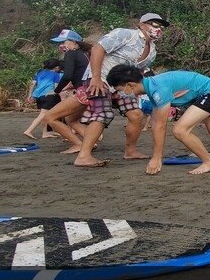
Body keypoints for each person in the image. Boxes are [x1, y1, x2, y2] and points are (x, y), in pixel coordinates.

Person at [66, 13, 169, 168]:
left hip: (122, 84)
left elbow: (138, 72)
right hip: (100, 78)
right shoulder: (125, 34)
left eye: (160, 26)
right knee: (103, 114)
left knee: (136, 114)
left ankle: (130, 151)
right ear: (141, 24)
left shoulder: (152, 51)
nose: (158, 29)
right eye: (154, 24)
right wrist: (95, 78)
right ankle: (84, 156)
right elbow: (97, 49)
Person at [106, 64, 210, 175]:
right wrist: (156, 157)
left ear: (130, 85)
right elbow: (156, 124)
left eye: (119, 90)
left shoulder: (158, 89)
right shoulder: (151, 88)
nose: (120, 94)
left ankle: (209, 162)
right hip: (208, 92)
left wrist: (156, 159)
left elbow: (161, 126)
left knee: (180, 130)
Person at [43, 29, 93, 152]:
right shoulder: (85, 54)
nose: (61, 45)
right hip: (90, 90)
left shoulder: (71, 54)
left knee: (50, 117)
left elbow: (67, 76)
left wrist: (57, 90)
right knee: (72, 120)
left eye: (64, 42)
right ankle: (90, 143)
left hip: (82, 92)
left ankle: (78, 144)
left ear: (74, 43)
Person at [23, 58, 62, 139]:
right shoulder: (56, 75)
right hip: (49, 95)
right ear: (57, 67)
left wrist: (30, 95)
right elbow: (56, 87)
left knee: (45, 114)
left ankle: (45, 133)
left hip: (38, 95)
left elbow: (32, 84)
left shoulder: (39, 72)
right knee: (42, 115)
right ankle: (29, 130)